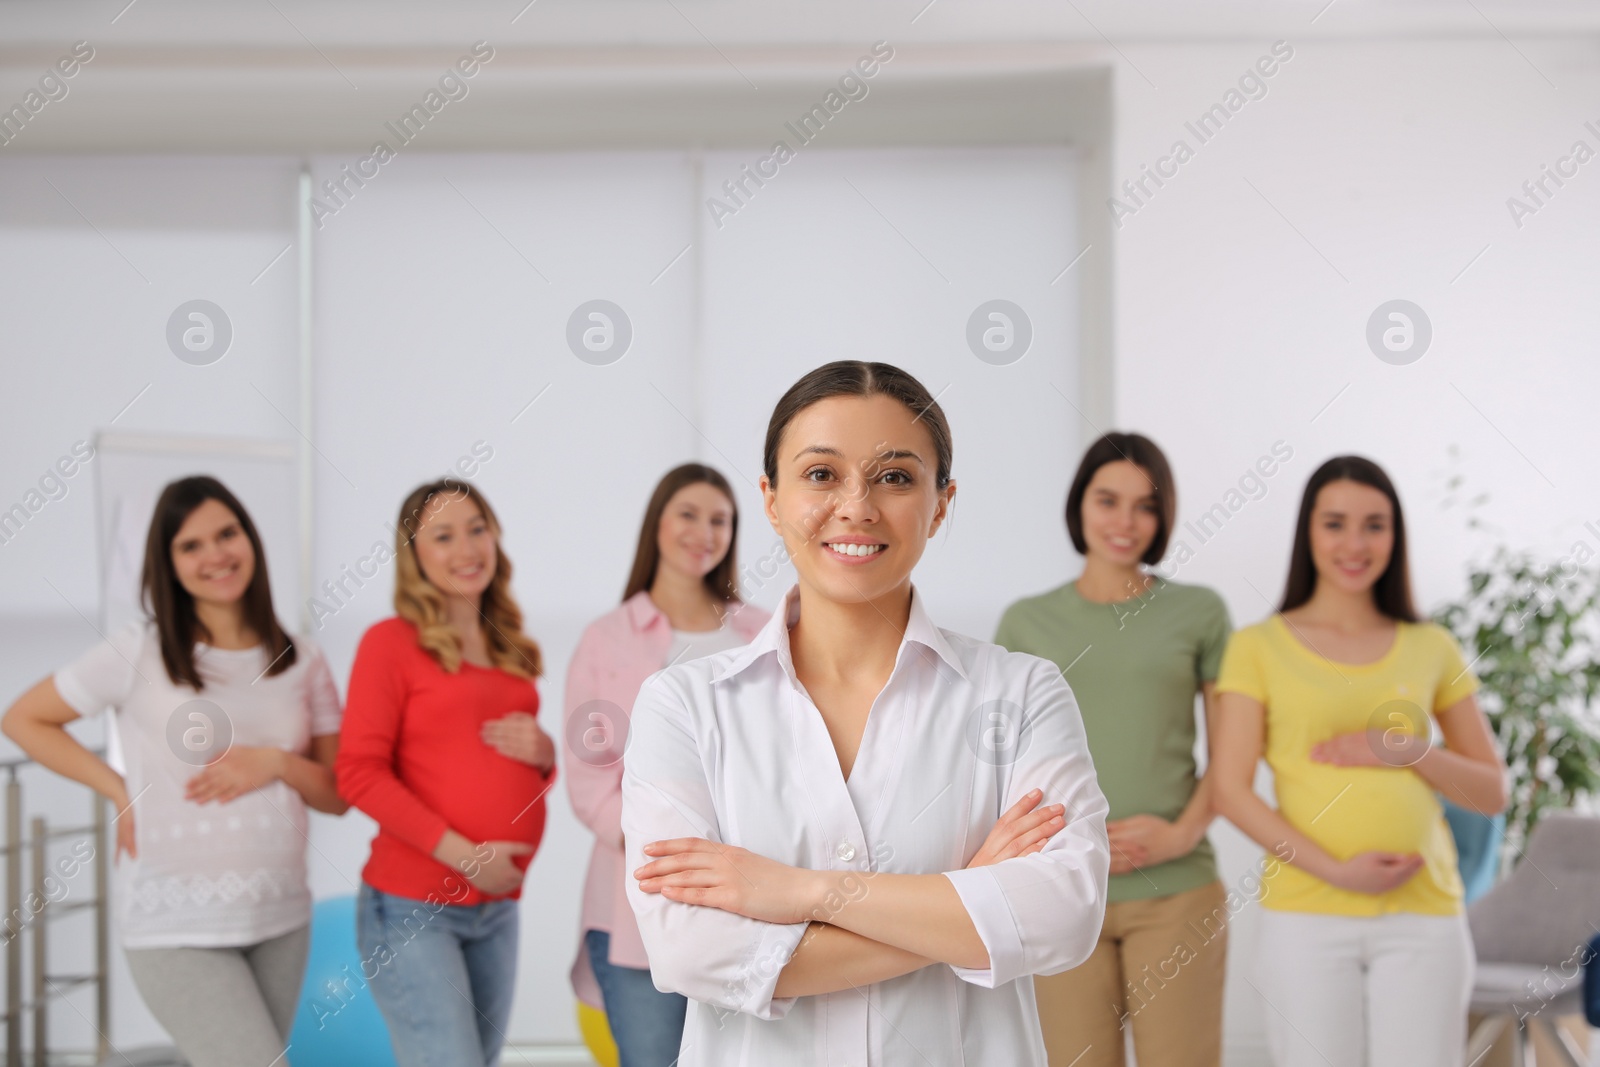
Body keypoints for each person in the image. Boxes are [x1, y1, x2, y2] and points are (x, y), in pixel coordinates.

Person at [622, 360, 1110, 1066]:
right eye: (821, 474)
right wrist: (969, 900)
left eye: (895, 476)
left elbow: (1063, 914)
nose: (857, 505)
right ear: (771, 497)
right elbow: (689, 951)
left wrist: (796, 891)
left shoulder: (1024, 693)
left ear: (941, 503)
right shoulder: (683, 706)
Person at [2, 476, 345, 1067]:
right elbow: (25, 718)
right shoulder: (139, 649)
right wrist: (118, 791)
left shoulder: (304, 659)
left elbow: (337, 795)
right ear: (168, 564)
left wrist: (278, 763)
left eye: (227, 533)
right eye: (190, 546)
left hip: (280, 915)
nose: (216, 555)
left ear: (251, 539)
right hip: (174, 920)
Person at [1210, 455, 1508, 1067]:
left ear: (1394, 537)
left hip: (1423, 915)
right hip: (1307, 915)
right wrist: (1338, 872)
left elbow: (1491, 792)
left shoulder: (1431, 646)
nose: (1355, 542)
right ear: (1308, 532)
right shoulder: (1258, 647)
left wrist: (1407, 751)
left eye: (1375, 525)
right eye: (1335, 523)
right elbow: (1229, 791)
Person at [994, 432, 1232, 1067]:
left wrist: (1180, 836)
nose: (1125, 522)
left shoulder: (1199, 612)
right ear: (1080, 506)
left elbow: (1232, 757)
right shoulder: (1025, 622)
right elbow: (1005, 763)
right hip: (1063, 889)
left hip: (1175, 892)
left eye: (1144, 506)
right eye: (1108, 500)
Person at [336, 478, 557, 1067]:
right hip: (415, 907)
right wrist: (465, 855)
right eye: (443, 535)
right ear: (415, 556)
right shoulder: (390, 644)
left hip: (498, 907)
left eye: (476, 528)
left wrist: (545, 755)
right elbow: (357, 772)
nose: (466, 548)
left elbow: (511, 773)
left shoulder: (511, 650)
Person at [565, 463, 770, 1066]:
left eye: (720, 520)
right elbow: (590, 785)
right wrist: (672, 860)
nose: (703, 531)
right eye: (688, 514)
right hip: (638, 910)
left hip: (750, 903)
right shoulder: (608, 639)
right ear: (657, 522)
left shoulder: (764, 633)